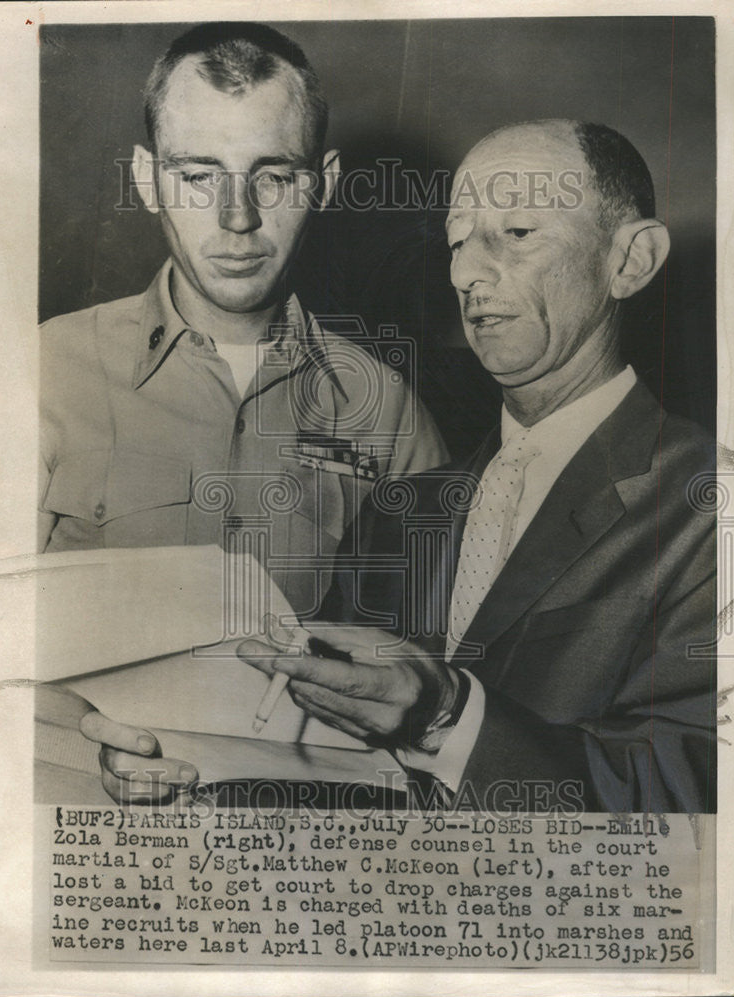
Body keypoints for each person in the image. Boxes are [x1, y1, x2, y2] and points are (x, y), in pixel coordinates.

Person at [238, 119, 718, 814]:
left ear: (629, 261)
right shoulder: (396, 513)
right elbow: (317, 760)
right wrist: (195, 772)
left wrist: (449, 715)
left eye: (516, 233)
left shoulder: (709, 504)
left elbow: (699, 800)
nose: (464, 273)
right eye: (457, 241)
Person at [38, 21, 447, 616]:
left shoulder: (386, 411)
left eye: (275, 177)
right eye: (200, 176)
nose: (238, 218)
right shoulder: (45, 369)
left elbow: (418, 659)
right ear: (147, 180)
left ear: (324, 184)